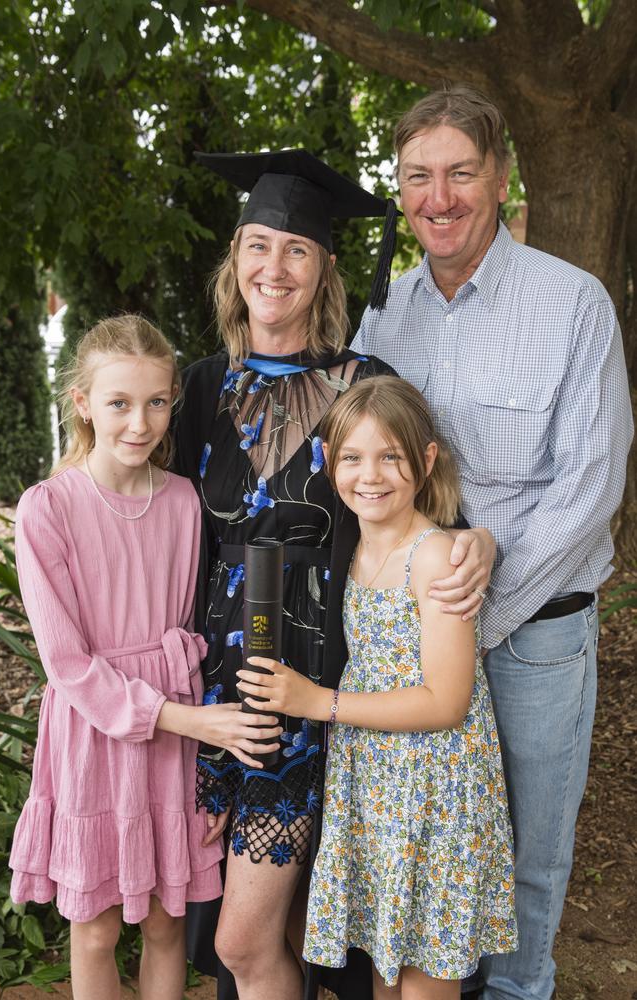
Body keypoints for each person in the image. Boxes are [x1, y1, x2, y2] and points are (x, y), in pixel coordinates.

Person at [172, 150, 497, 1000]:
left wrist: (481, 544)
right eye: (257, 245)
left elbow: (427, 515)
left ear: (324, 271)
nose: (273, 268)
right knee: (260, 933)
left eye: (297, 250)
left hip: (327, 694)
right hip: (224, 695)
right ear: (233, 259)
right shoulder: (201, 388)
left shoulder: (364, 385)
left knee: (275, 935)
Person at [352, 86, 634, 1000]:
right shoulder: (384, 316)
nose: (439, 196)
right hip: (410, 646)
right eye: (418, 177)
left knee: (528, 863)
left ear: (501, 177)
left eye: (461, 172)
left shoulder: (572, 304)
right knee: (433, 849)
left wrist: (479, 606)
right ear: (400, 191)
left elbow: (591, 485)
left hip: (536, 635)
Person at [9, 315, 282, 1000]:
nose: (140, 423)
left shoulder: (184, 502)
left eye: (157, 402)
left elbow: (193, 630)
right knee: (97, 930)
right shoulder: (48, 509)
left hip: (176, 742)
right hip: (94, 734)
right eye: (119, 403)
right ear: (82, 403)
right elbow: (69, 666)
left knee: (167, 925)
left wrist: (209, 761)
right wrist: (195, 725)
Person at [238, 375, 518, 1000]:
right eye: (353, 457)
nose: (371, 475)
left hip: (436, 793)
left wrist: (320, 704)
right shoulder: (357, 548)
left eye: (391, 456)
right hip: (377, 782)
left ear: (425, 461)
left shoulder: (436, 557)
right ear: (331, 464)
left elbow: (446, 702)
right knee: (384, 972)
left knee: (423, 983)